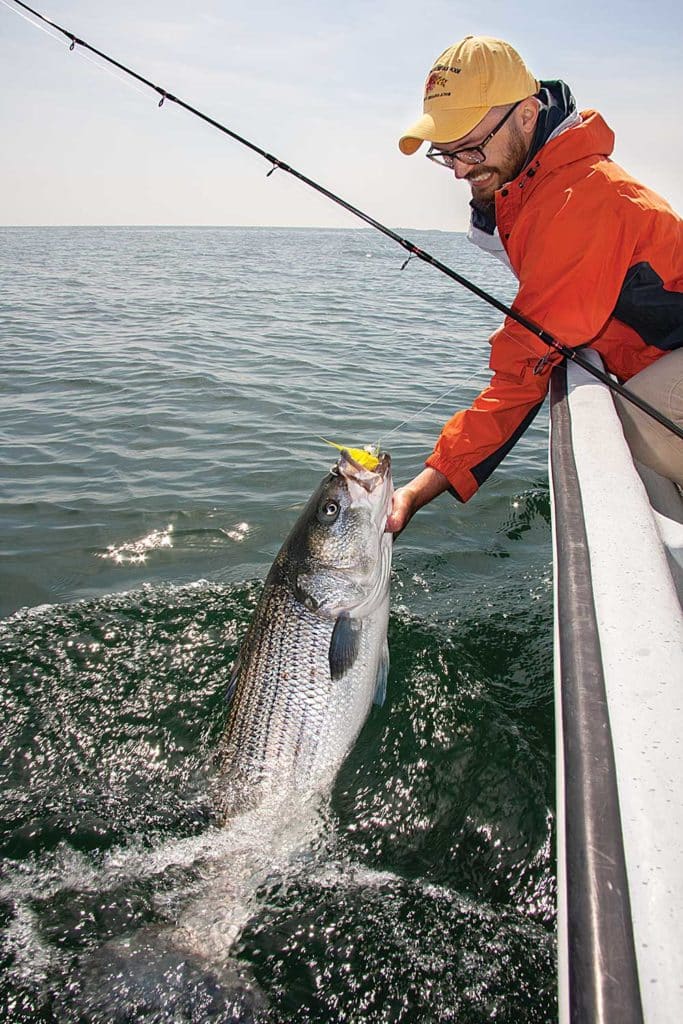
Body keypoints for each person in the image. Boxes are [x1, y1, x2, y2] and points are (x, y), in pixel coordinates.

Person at [385, 35, 683, 534]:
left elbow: (522, 371)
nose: (460, 169)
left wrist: (419, 489)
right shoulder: (538, 189)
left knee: (620, 427)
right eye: (446, 154)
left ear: (526, 115)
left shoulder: (580, 201)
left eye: (472, 147)